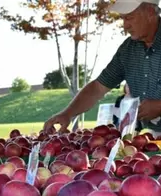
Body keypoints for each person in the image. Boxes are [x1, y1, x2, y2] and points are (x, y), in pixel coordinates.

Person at [44, 0, 161, 137]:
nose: (125, 25)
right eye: (122, 18)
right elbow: (98, 87)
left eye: (129, 17)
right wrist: (67, 113)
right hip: (151, 136)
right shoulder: (128, 50)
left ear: (150, 12)